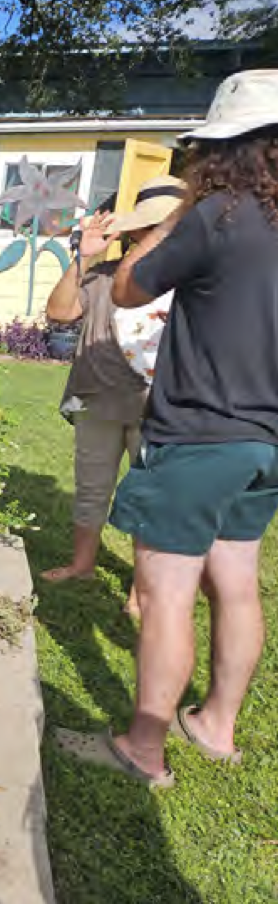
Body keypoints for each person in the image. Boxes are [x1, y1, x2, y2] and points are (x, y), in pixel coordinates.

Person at [57, 69, 278, 787]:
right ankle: (216, 725)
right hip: (264, 443)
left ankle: (143, 747)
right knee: (238, 584)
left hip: (198, 435)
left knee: (165, 592)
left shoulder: (219, 217)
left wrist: (177, 216)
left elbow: (126, 288)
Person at [41, 176, 187, 596]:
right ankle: (82, 565)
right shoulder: (105, 276)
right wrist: (83, 259)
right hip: (97, 399)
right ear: (135, 231)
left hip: (161, 407)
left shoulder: (192, 281)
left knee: (153, 498)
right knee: (91, 487)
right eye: (152, 226)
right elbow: (59, 311)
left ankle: (144, 591)